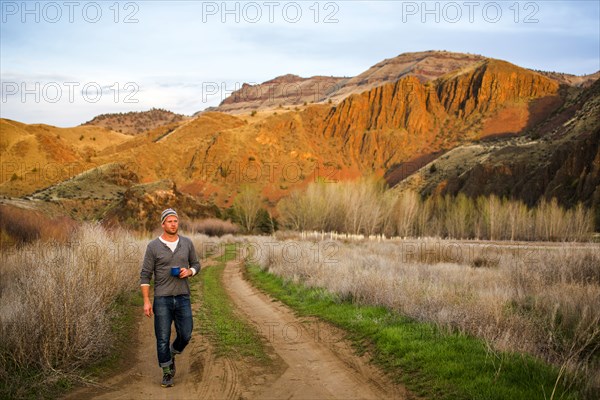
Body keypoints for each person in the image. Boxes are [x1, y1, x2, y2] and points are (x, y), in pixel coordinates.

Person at [140, 208, 200, 388]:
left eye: (175, 221)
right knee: (162, 338)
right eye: (170, 221)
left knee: (186, 334)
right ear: (163, 224)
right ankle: (167, 372)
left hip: (183, 297)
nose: (173, 224)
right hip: (162, 300)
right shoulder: (153, 246)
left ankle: (172, 353)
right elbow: (145, 275)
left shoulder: (187, 243)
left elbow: (196, 264)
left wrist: (190, 271)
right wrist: (146, 301)